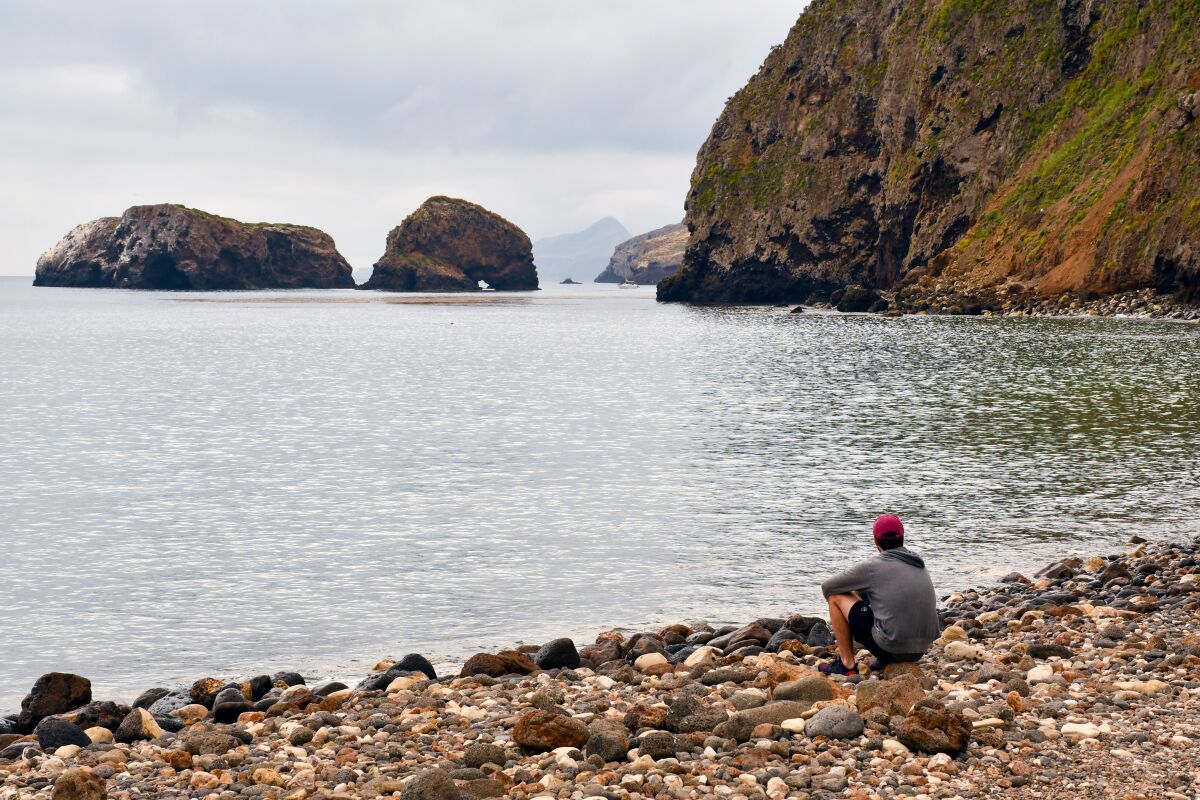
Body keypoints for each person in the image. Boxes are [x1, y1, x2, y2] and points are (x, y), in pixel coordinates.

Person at [818, 514, 939, 675]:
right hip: (920, 649)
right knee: (879, 595)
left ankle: (847, 664)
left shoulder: (874, 566)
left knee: (836, 597)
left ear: (875, 541)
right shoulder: (917, 563)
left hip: (891, 647)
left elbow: (828, 587)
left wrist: (855, 600)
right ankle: (884, 660)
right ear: (902, 538)